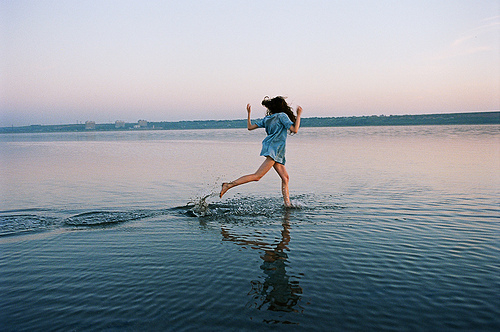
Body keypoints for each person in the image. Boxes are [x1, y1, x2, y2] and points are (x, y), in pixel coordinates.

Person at [219, 96, 303, 207]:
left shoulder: (267, 119)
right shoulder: (282, 116)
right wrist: (299, 115)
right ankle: (228, 185)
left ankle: (287, 205)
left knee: (285, 178)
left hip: (273, 150)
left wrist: (249, 113)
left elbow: (250, 127)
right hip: (275, 150)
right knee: (257, 176)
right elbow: (295, 130)